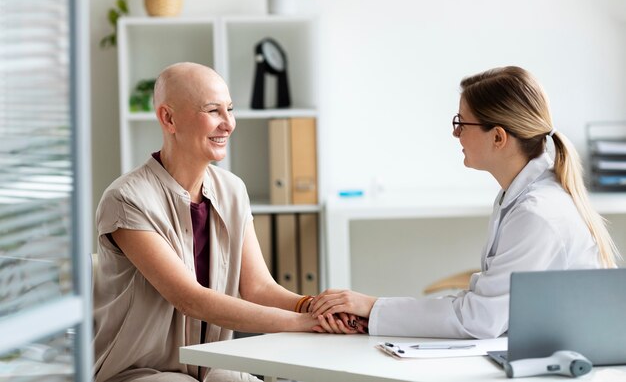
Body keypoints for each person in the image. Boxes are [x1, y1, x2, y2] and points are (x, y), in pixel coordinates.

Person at [309, 65, 621, 339]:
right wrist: (373, 311)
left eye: (462, 122)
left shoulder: (537, 213)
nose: (455, 133)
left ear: (498, 137)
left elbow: (479, 319)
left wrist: (371, 306)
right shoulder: (520, 197)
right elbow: (484, 308)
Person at [92, 62, 345, 382]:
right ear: (168, 118)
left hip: (212, 366)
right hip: (140, 371)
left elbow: (258, 287)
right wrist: (304, 324)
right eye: (213, 110)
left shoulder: (232, 190)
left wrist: (316, 308)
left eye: (230, 109)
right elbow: (189, 299)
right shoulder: (127, 199)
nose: (228, 124)